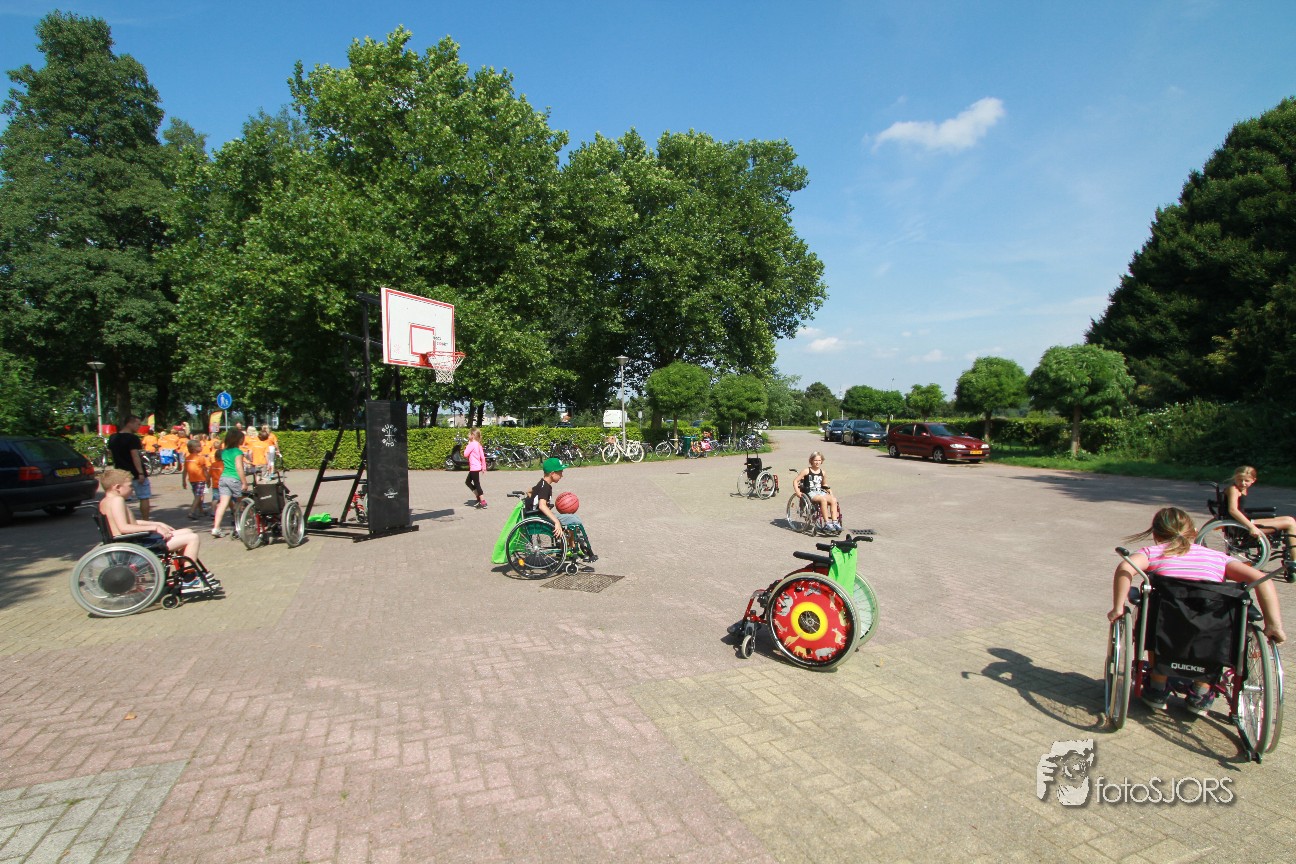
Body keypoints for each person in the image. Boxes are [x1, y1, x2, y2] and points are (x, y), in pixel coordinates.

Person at [1109, 507, 1285, 714]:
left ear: (1155, 534)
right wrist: (1273, 625)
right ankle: (1201, 692)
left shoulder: (1152, 553)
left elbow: (1125, 567)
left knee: (1159, 615)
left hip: (1167, 629)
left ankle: (1157, 686)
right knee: (1215, 626)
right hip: (1212, 632)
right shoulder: (1218, 558)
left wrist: (1118, 608)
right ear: (1194, 532)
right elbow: (1262, 580)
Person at [99, 468, 204, 573]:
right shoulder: (117, 500)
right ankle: (189, 576)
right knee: (192, 538)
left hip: (130, 541)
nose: (132, 489)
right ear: (117, 487)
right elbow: (124, 528)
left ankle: (183, 568)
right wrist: (155, 528)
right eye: (130, 486)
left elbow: (131, 522)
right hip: (135, 545)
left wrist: (157, 524)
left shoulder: (106, 501)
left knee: (187, 531)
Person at [1224, 465, 1296, 576]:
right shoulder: (1233, 489)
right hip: (1241, 526)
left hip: (1244, 522)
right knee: (1290, 523)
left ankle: (1292, 557)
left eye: (1246, 481)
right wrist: (1251, 527)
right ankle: (1294, 561)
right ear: (1235, 478)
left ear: (1253, 480)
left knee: (1289, 519)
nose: (1243, 483)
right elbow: (1232, 510)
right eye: (1240, 480)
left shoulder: (1239, 488)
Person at [525, 457, 595, 560]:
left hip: (537, 515)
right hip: (541, 517)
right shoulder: (545, 487)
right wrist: (556, 522)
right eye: (560, 472)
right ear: (553, 473)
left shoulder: (542, 483)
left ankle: (571, 546)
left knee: (573, 518)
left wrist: (531, 502)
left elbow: (529, 491)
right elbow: (542, 506)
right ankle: (570, 548)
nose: (562, 475)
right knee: (574, 520)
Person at [107, 415, 153, 519]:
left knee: (122, 499)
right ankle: (146, 520)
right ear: (130, 423)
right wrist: (140, 473)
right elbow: (135, 456)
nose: (139, 427)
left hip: (121, 474)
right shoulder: (133, 438)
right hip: (135, 472)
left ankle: (124, 520)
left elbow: (111, 454)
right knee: (144, 497)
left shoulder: (113, 437)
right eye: (138, 424)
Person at [211, 429, 247, 538]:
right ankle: (241, 524)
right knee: (241, 502)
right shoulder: (238, 452)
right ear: (238, 439)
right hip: (234, 478)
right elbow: (239, 467)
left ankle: (216, 528)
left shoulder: (224, 452)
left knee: (223, 504)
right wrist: (244, 482)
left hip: (223, 478)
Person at [794, 452, 841, 532]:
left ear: (822, 461)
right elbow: (795, 481)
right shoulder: (806, 471)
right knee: (823, 499)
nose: (817, 462)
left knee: (833, 500)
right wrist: (798, 492)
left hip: (819, 492)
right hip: (810, 492)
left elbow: (824, 484)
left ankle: (835, 522)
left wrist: (829, 490)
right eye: (815, 460)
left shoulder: (823, 472)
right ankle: (827, 523)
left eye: (819, 460)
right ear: (811, 461)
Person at [183, 439, 210, 520]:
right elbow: (205, 470)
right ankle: (191, 512)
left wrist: (183, 481)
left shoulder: (187, 458)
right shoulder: (201, 458)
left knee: (197, 496)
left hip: (192, 480)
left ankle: (201, 511)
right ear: (193, 448)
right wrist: (208, 479)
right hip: (200, 479)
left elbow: (185, 471)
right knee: (198, 496)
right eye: (199, 446)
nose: (201, 447)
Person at [464, 428, 487, 509]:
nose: (468, 435)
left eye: (469, 434)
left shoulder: (472, 444)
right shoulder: (478, 444)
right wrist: (484, 467)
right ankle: (478, 497)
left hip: (474, 467)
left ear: (473, 435)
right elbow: (482, 457)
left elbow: (465, 454)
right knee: (468, 482)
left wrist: (468, 444)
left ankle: (482, 501)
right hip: (477, 467)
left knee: (476, 484)